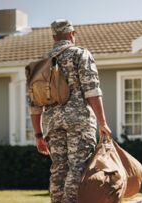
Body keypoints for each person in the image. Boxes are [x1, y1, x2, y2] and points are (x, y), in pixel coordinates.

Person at [28, 19, 111, 203]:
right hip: (78, 121)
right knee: (78, 167)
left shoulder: (42, 63)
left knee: (59, 168)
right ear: (72, 34)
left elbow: (34, 104)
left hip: (51, 124)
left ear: (54, 37)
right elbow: (92, 90)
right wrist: (102, 122)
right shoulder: (80, 54)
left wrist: (38, 135)